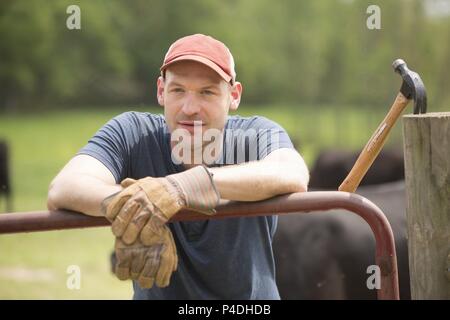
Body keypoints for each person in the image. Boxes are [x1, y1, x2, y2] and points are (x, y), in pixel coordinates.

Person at [47, 34, 309, 299]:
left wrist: (182, 186)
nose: (190, 107)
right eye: (178, 90)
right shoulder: (132, 133)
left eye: (207, 92)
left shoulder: (256, 134)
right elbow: (65, 186)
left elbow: (292, 172)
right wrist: (138, 208)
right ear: (161, 90)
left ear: (234, 95)